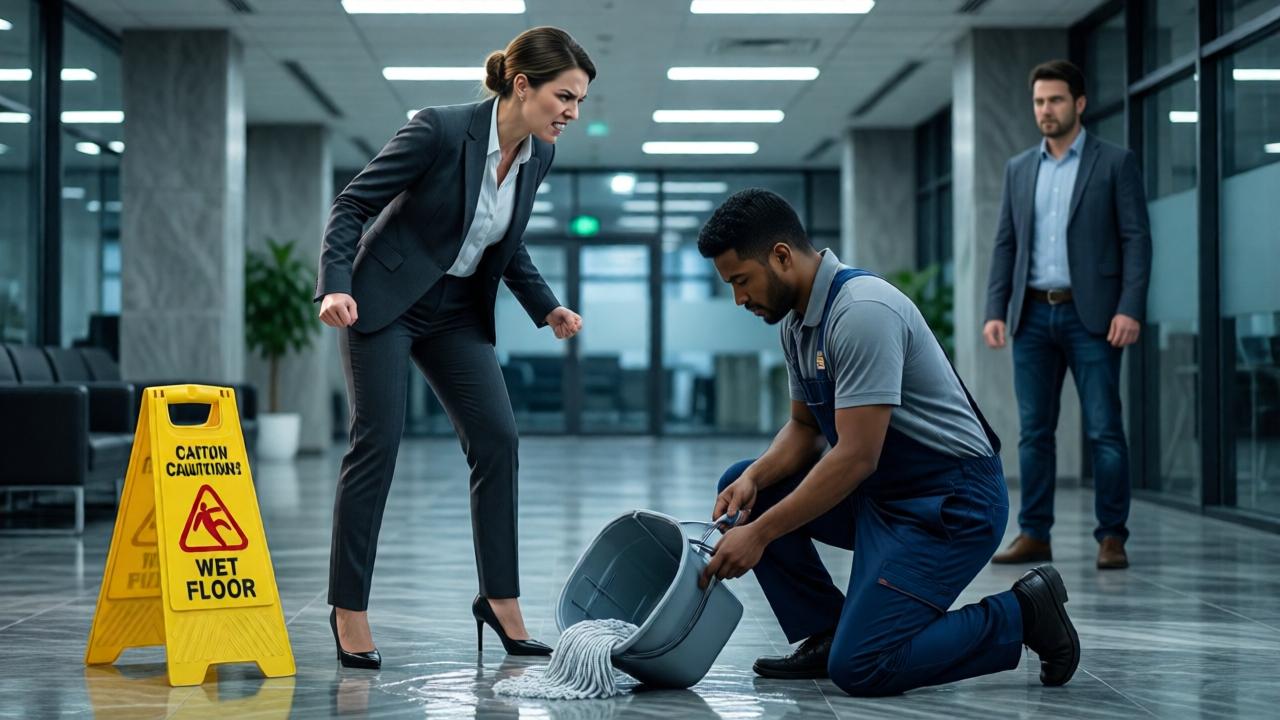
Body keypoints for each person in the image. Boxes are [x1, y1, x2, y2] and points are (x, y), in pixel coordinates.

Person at [699, 189, 1080, 696]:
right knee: (746, 487)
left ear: (782, 256)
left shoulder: (862, 312)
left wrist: (760, 535)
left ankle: (1025, 612)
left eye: (741, 280)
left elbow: (856, 456)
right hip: (884, 495)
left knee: (864, 666)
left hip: (951, 504)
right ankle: (827, 632)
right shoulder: (797, 326)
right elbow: (805, 428)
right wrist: (753, 478)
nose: (739, 298)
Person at [315, 26, 594, 669]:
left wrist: (546, 306)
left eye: (579, 101)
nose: (573, 114)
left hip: (456, 312)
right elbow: (352, 206)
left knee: (497, 439)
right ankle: (348, 609)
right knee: (377, 443)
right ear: (522, 86)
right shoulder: (438, 130)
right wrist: (334, 285)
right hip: (383, 300)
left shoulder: (538, 156)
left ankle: (499, 600)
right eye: (565, 97)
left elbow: (505, 241)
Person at [983, 60, 1151, 570]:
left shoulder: (1114, 163)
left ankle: (1112, 536)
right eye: (1039, 101)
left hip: (1093, 317)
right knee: (1034, 432)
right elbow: (1006, 243)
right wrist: (995, 309)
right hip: (1032, 315)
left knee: (1104, 429)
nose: (1045, 110)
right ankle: (1035, 533)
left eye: (1055, 100)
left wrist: (1129, 307)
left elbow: (1136, 240)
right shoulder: (1019, 168)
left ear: (1079, 103)